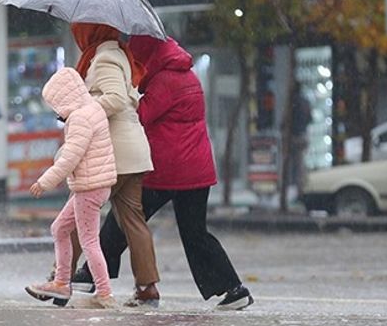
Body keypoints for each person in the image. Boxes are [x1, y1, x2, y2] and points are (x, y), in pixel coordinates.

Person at [73, 36, 254, 310]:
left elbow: (141, 115)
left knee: (125, 217)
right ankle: (234, 289)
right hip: (196, 170)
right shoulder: (186, 76)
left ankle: (90, 275)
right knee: (195, 234)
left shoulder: (165, 81)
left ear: (148, 55)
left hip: (168, 169)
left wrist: (125, 93)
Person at [67, 23, 160, 307]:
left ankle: (61, 277)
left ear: (91, 31)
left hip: (113, 152)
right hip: (133, 152)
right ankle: (147, 287)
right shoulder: (120, 54)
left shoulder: (105, 58)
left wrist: (82, 112)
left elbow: (116, 99)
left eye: (80, 30)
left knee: (77, 214)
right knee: (133, 220)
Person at [25, 67, 117, 309]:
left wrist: (44, 182)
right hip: (95, 184)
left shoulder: (79, 118)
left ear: (63, 99)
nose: (56, 111)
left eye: (55, 105)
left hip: (89, 187)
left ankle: (104, 293)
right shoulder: (93, 108)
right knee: (59, 228)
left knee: (89, 242)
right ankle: (61, 283)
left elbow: (70, 158)